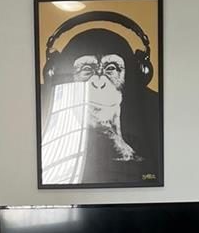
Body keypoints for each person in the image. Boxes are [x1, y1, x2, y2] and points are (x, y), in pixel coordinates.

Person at [40, 26, 160, 185]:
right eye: (86, 69)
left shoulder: (153, 114)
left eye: (111, 69)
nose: (98, 82)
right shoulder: (47, 117)